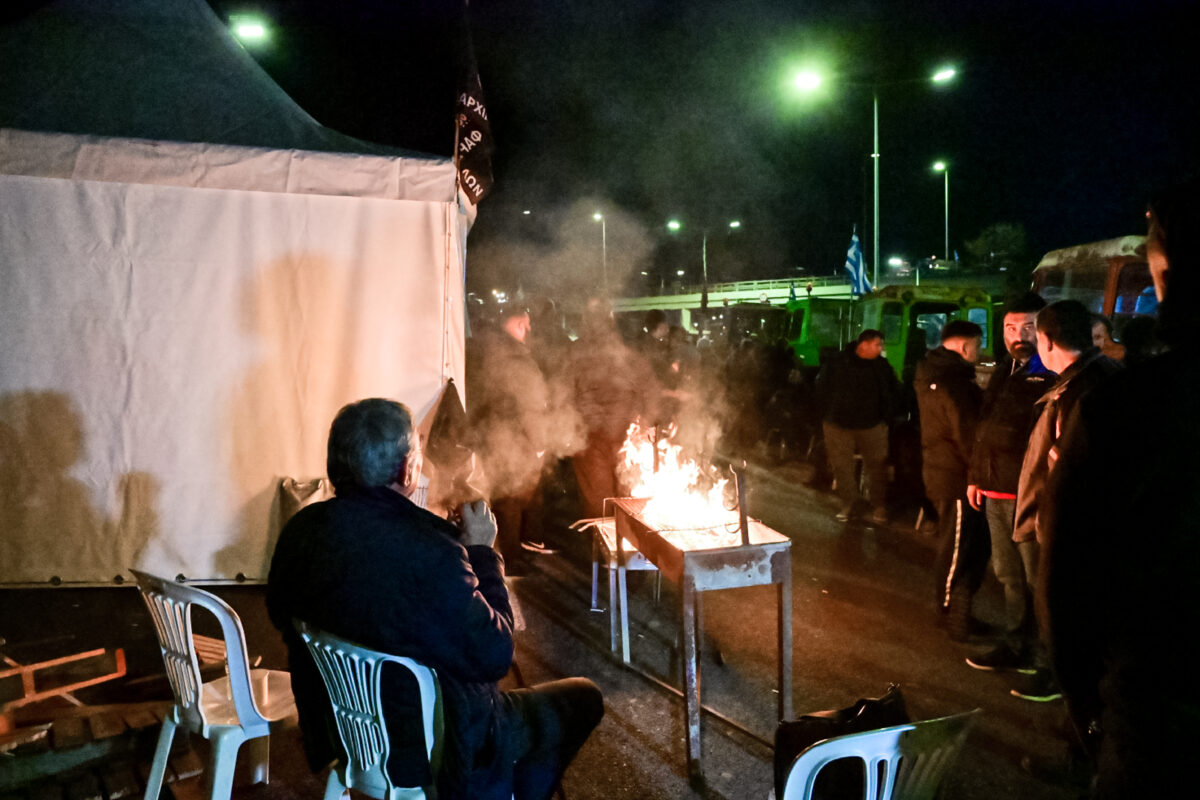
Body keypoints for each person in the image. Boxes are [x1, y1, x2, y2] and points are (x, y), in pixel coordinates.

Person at [267, 399, 603, 800]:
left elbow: (283, 613)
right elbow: (496, 654)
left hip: (343, 731)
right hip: (438, 745)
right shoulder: (432, 551)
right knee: (583, 697)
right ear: (407, 469)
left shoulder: (301, 531)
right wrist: (481, 552)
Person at [1043, 178, 1200, 796]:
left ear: (1168, 271)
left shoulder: (1131, 406)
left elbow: (1067, 580)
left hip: (1161, 710)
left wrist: (1095, 713)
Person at [1011, 300, 1121, 702]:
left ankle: (1076, 708)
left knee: (1069, 617)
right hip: (1091, 527)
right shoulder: (1104, 376)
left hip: (1073, 529)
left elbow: (1068, 472)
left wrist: (1049, 528)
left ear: (1046, 340)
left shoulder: (1081, 391)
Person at [964, 293, 1054, 671]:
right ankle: (1016, 644)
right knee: (1007, 574)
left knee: (1038, 580)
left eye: (1028, 327)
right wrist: (975, 477)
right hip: (995, 489)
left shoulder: (1052, 372)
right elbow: (984, 426)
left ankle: (1046, 660)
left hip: (1029, 493)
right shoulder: (1006, 368)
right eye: (1010, 328)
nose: (1019, 336)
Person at [465, 305, 557, 573]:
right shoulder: (518, 359)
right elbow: (531, 405)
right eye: (526, 324)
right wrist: (539, 442)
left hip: (491, 435)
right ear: (517, 324)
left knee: (506, 498)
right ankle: (510, 560)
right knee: (511, 500)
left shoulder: (484, 350)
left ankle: (511, 551)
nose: (529, 329)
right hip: (514, 439)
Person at [913, 320, 987, 640]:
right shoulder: (953, 381)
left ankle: (958, 612)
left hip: (942, 469)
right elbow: (965, 433)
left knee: (962, 543)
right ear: (966, 345)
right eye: (978, 345)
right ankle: (946, 610)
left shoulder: (933, 372)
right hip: (954, 475)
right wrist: (977, 473)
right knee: (956, 546)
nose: (979, 352)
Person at [569, 298, 661, 517]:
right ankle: (626, 536)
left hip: (590, 438)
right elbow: (651, 391)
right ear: (611, 319)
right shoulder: (628, 352)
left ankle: (603, 537)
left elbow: (563, 394)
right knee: (628, 497)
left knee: (598, 502)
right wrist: (646, 424)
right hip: (625, 437)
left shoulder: (576, 353)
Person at [814, 329, 900, 523]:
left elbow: (893, 390)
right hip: (838, 423)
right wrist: (826, 414)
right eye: (878, 344)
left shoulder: (881, 365)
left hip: (872, 424)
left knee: (877, 465)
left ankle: (879, 505)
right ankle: (849, 503)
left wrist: (887, 416)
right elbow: (822, 388)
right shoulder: (837, 362)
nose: (881, 349)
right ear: (864, 345)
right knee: (842, 466)